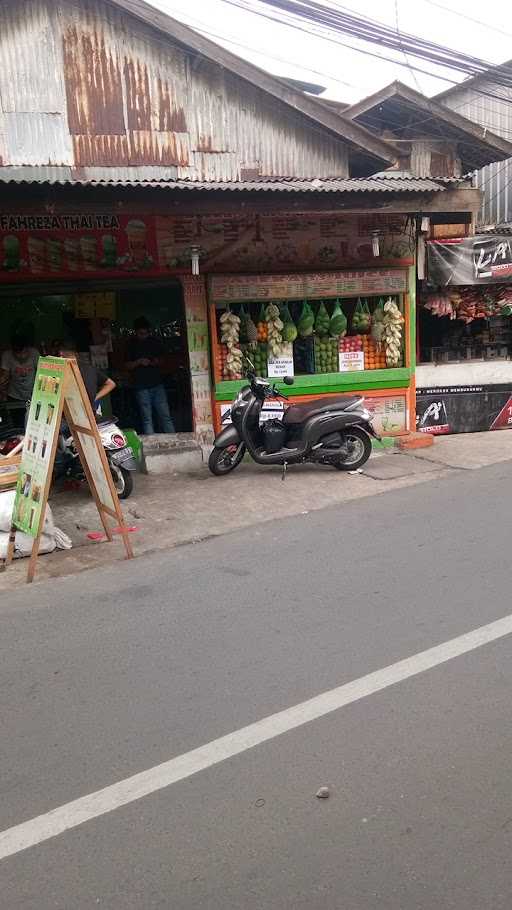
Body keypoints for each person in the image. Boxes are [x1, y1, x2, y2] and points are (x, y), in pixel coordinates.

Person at [126, 317, 175, 435]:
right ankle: (151, 444)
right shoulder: (131, 344)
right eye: (141, 333)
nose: (144, 335)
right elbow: (127, 365)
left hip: (157, 384)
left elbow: (163, 360)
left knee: (165, 416)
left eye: (146, 333)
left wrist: (154, 362)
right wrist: (139, 362)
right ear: (136, 332)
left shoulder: (154, 342)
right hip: (141, 387)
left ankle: (174, 439)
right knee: (147, 419)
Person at [59, 340, 116, 413]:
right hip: (77, 411)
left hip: (88, 411)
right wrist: (95, 397)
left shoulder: (88, 369)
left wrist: (95, 397)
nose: (61, 356)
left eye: (64, 355)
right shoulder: (88, 367)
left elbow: (111, 384)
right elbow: (111, 384)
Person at [0, 333, 40, 425]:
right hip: (14, 396)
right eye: (18, 353)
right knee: (18, 425)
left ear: (28, 348)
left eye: (24, 352)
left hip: (33, 395)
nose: (22, 356)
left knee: (33, 424)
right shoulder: (7, 356)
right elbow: (4, 376)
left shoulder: (35, 353)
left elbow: (41, 374)